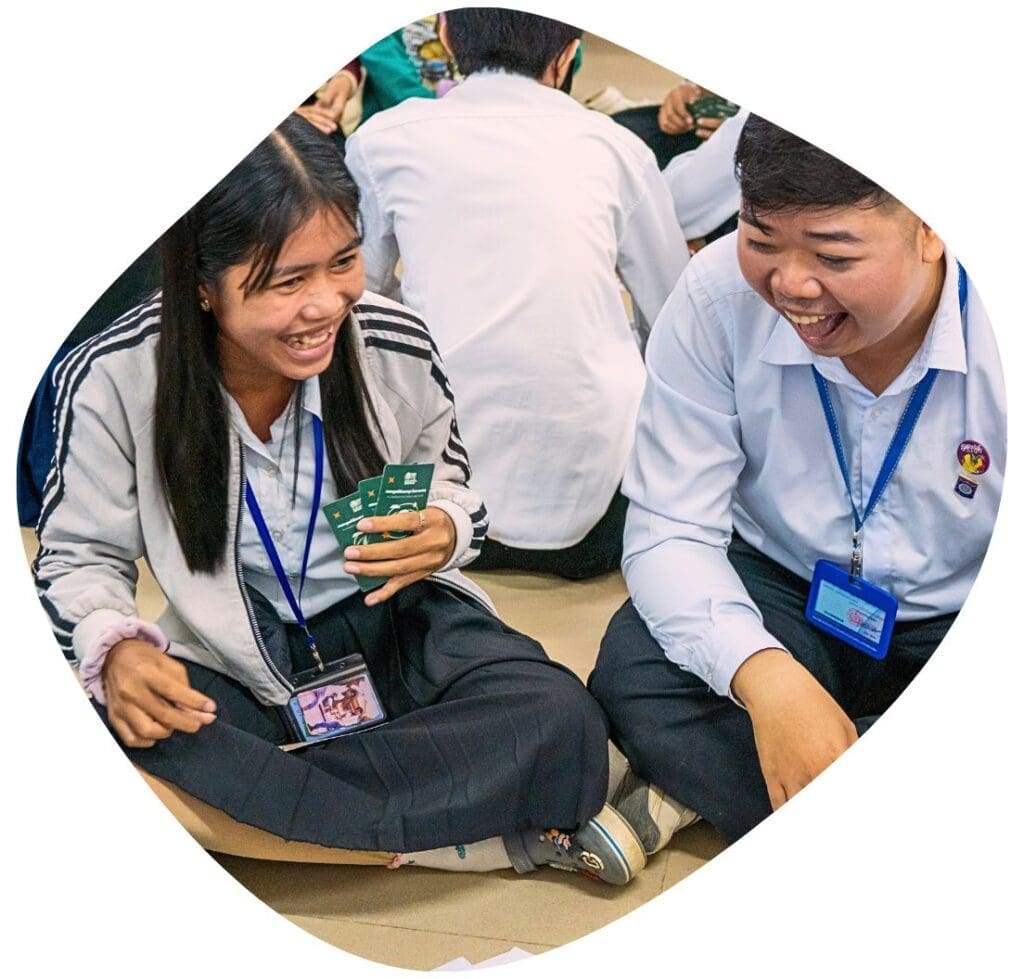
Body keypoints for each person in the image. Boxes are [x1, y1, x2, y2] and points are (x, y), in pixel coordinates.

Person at [32, 114, 648, 885]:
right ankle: (476, 830)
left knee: (558, 714)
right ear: (200, 284)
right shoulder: (117, 376)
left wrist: (446, 526)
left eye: (346, 261)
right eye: (286, 282)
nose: (327, 303)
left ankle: (293, 812)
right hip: (237, 643)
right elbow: (77, 556)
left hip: (396, 620)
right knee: (102, 727)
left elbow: (453, 483)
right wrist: (114, 646)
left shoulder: (392, 342)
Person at [590, 114, 1006, 846]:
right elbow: (668, 529)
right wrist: (763, 675)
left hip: (962, 611)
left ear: (931, 229)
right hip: (787, 587)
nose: (791, 285)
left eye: (835, 255)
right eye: (761, 239)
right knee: (639, 673)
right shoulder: (718, 296)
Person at [345, 8, 688, 580]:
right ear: (568, 52)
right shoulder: (618, 147)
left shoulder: (382, 141)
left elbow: (355, 304)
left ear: (447, 37)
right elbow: (674, 318)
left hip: (427, 521)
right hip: (602, 526)